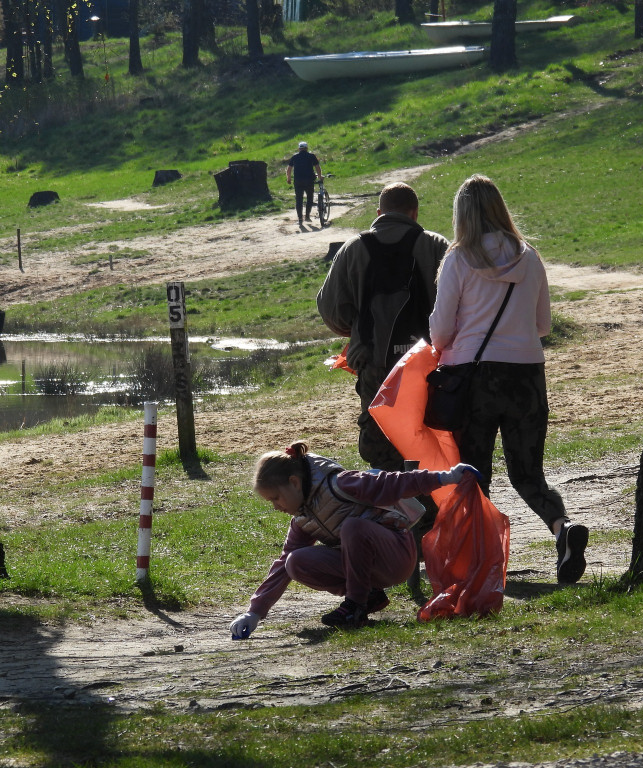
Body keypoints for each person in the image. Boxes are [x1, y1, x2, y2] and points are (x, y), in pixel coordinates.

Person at [428, 174, 589, 584]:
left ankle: (478, 557)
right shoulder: (529, 256)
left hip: (475, 378)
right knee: (528, 472)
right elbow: (542, 325)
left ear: (461, 214)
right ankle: (561, 528)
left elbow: (441, 331)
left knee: (474, 471)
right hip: (527, 374)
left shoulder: (458, 259)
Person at [228, 441, 477, 637]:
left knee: (353, 527)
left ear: (294, 482)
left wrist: (445, 477)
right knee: (294, 561)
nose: (275, 507)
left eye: (275, 498)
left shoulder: (341, 484)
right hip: (366, 568)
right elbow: (282, 566)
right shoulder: (301, 519)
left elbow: (394, 482)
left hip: (397, 557)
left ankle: (354, 608)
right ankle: (368, 597)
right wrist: (254, 612)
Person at [317, 182, 451, 471]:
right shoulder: (436, 245)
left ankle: (391, 508)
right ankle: (428, 508)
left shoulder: (353, 249)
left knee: (381, 440)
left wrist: (355, 333)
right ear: (414, 213)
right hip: (428, 364)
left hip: (374, 362)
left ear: (379, 212)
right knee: (427, 435)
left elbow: (330, 310)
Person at [286, 141, 322, 225]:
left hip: (298, 181)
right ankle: (307, 216)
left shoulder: (295, 157)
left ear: (299, 149)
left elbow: (289, 169)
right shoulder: (311, 156)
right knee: (309, 198)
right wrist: (320, 177)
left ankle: (300, 219)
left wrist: (288, 178)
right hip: (309, 180)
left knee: (299, 200)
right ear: (306, 148)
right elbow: (317, 167)